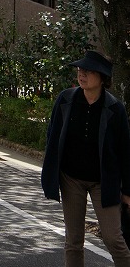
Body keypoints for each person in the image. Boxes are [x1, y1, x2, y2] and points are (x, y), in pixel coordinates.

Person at [41, 50, 130, 266]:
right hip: (71, 179)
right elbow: (52, 136)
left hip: (104, 182)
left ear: (102, 78)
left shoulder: (115, 109)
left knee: (114, 238)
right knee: (73, 240)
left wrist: (127, 192)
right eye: (80, 69)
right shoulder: (65, 100)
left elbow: (126, 152)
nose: (82, 74)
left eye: (88, 71)